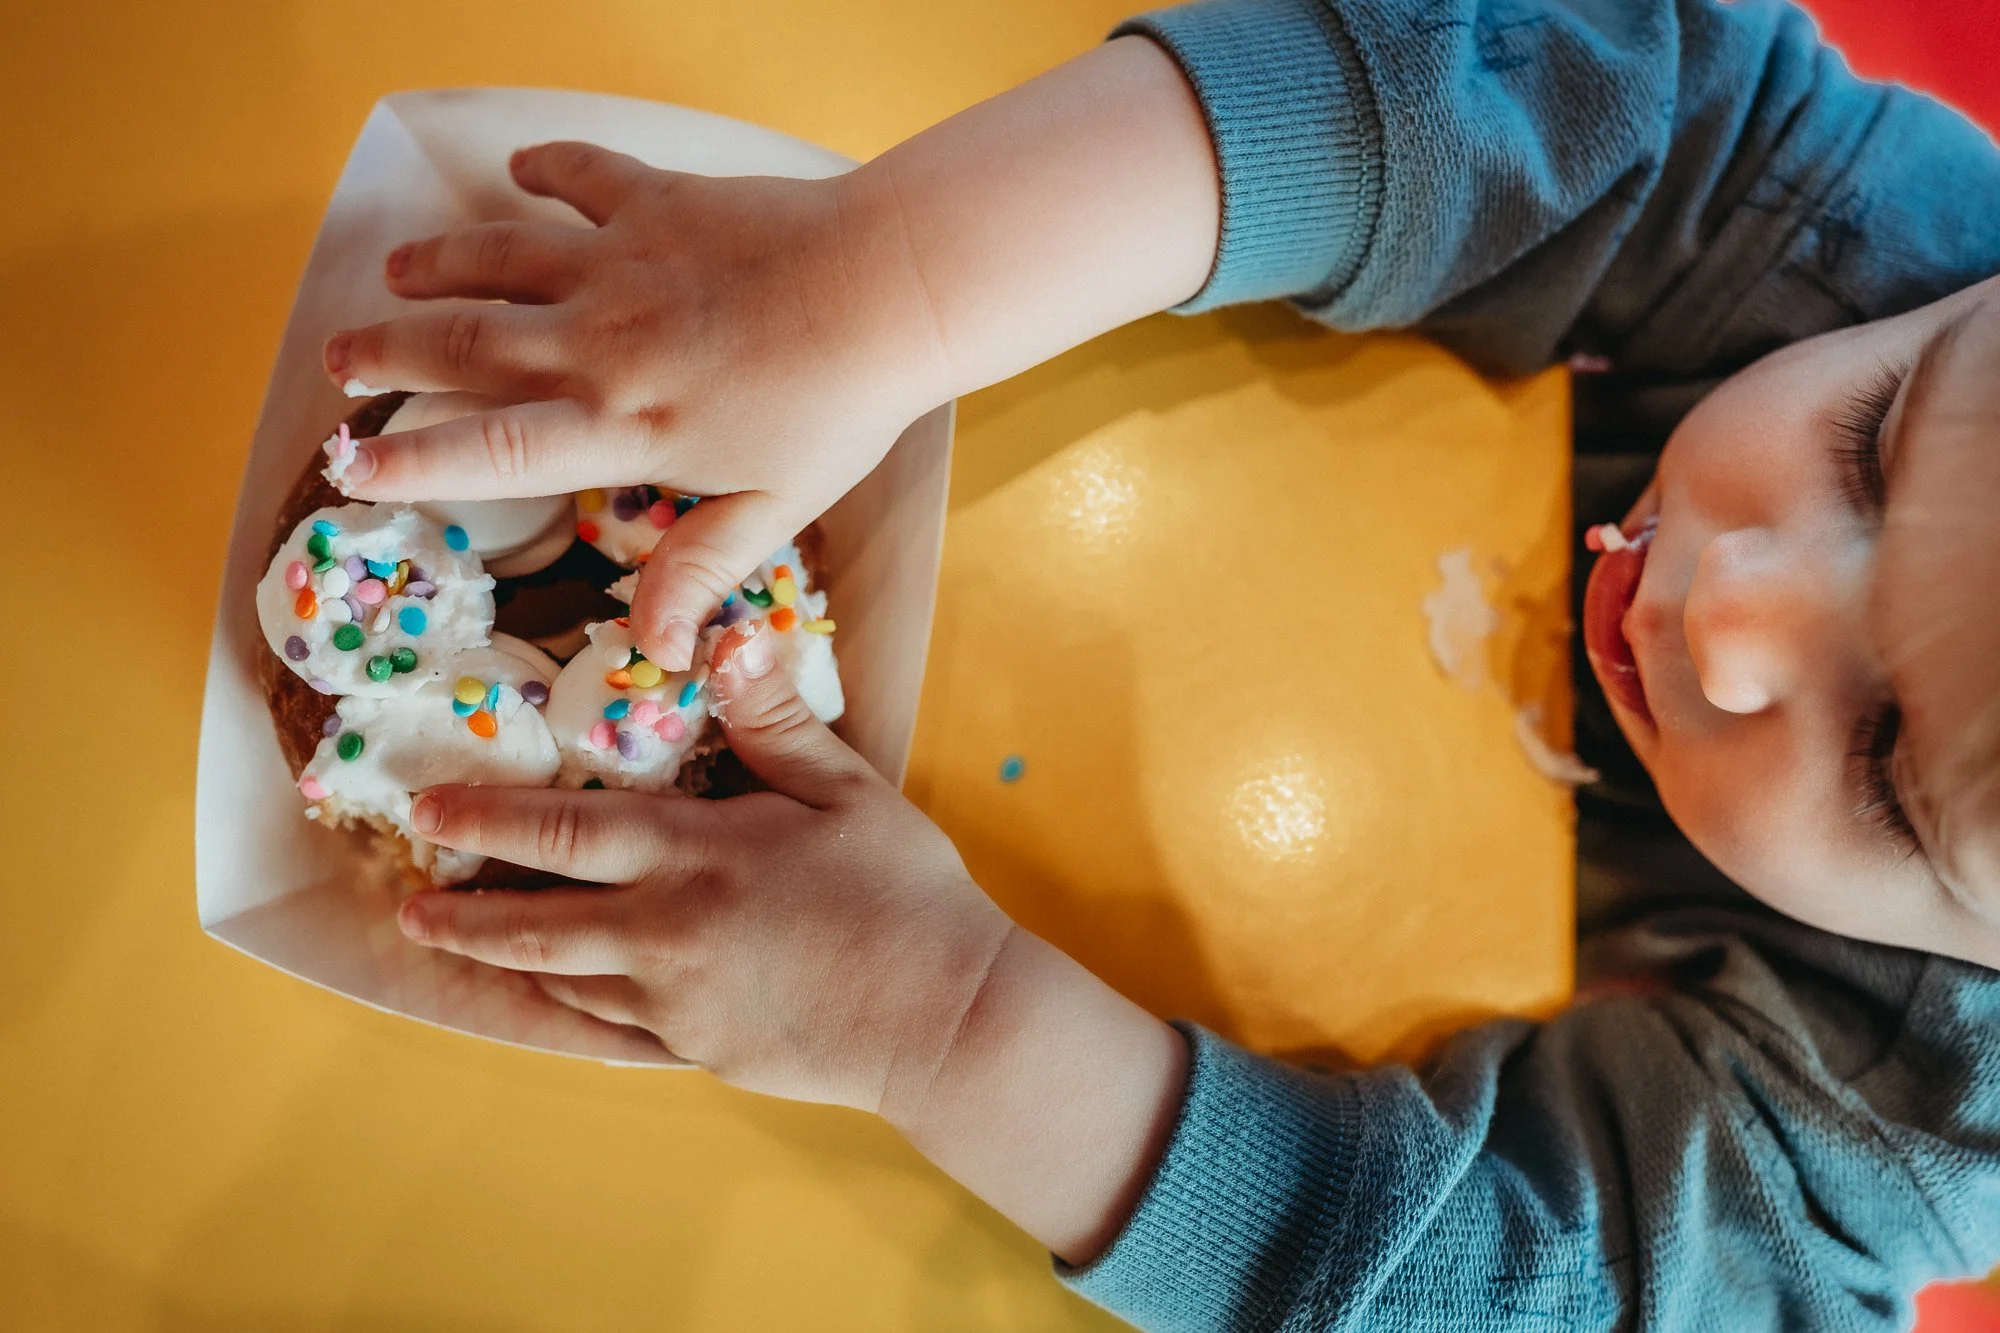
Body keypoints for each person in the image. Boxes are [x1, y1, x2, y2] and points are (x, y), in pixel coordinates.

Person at [317, 0, 2000, 1325]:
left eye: (1881, 764)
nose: (1735, 607)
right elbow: (1540, 91)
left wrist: (942, 1024)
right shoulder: (1900, 239)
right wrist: (882, 279)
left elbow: (1542, 1296)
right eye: (1870, 442)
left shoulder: (1927, 1128)